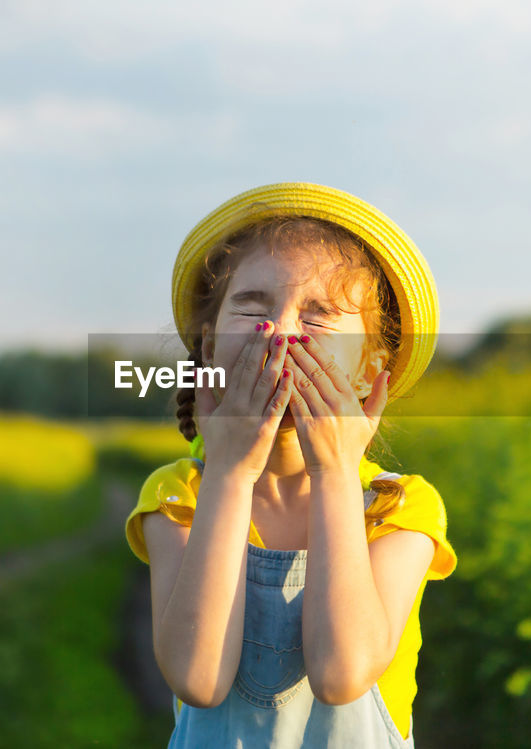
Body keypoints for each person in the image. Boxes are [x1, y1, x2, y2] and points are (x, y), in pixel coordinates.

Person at [124, 182, 457, 748]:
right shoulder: (180, 494)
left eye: (320, 316)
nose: (279, 331)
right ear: (207, 349)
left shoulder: (398, 508)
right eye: (252, 306)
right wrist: (229, 472)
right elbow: (198, 680)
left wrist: (333, 471)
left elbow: (341, 675)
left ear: (370, 368)